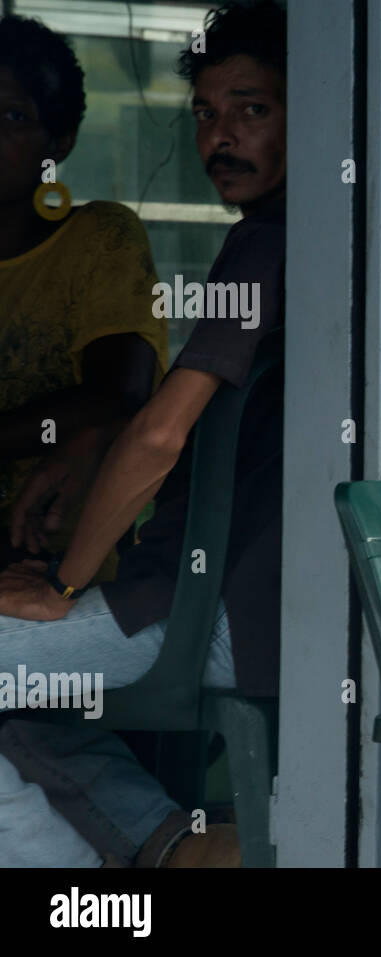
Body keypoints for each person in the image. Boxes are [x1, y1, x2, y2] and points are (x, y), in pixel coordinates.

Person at [0, 0, 287, 867]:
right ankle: (171, 852)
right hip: (232, 604)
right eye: (205, 113)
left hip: (207, 611)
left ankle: (130, 876)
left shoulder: (270, 245)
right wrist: (88, 456)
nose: (219, 136)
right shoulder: (296, 238)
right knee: (26, 709)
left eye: (252, 109)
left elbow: (159, 432)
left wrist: (64, 579)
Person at [0, 14, 168, 577]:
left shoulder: (101, 237)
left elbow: (119, 394)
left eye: (13, 116)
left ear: (59, 141)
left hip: (52, 569)